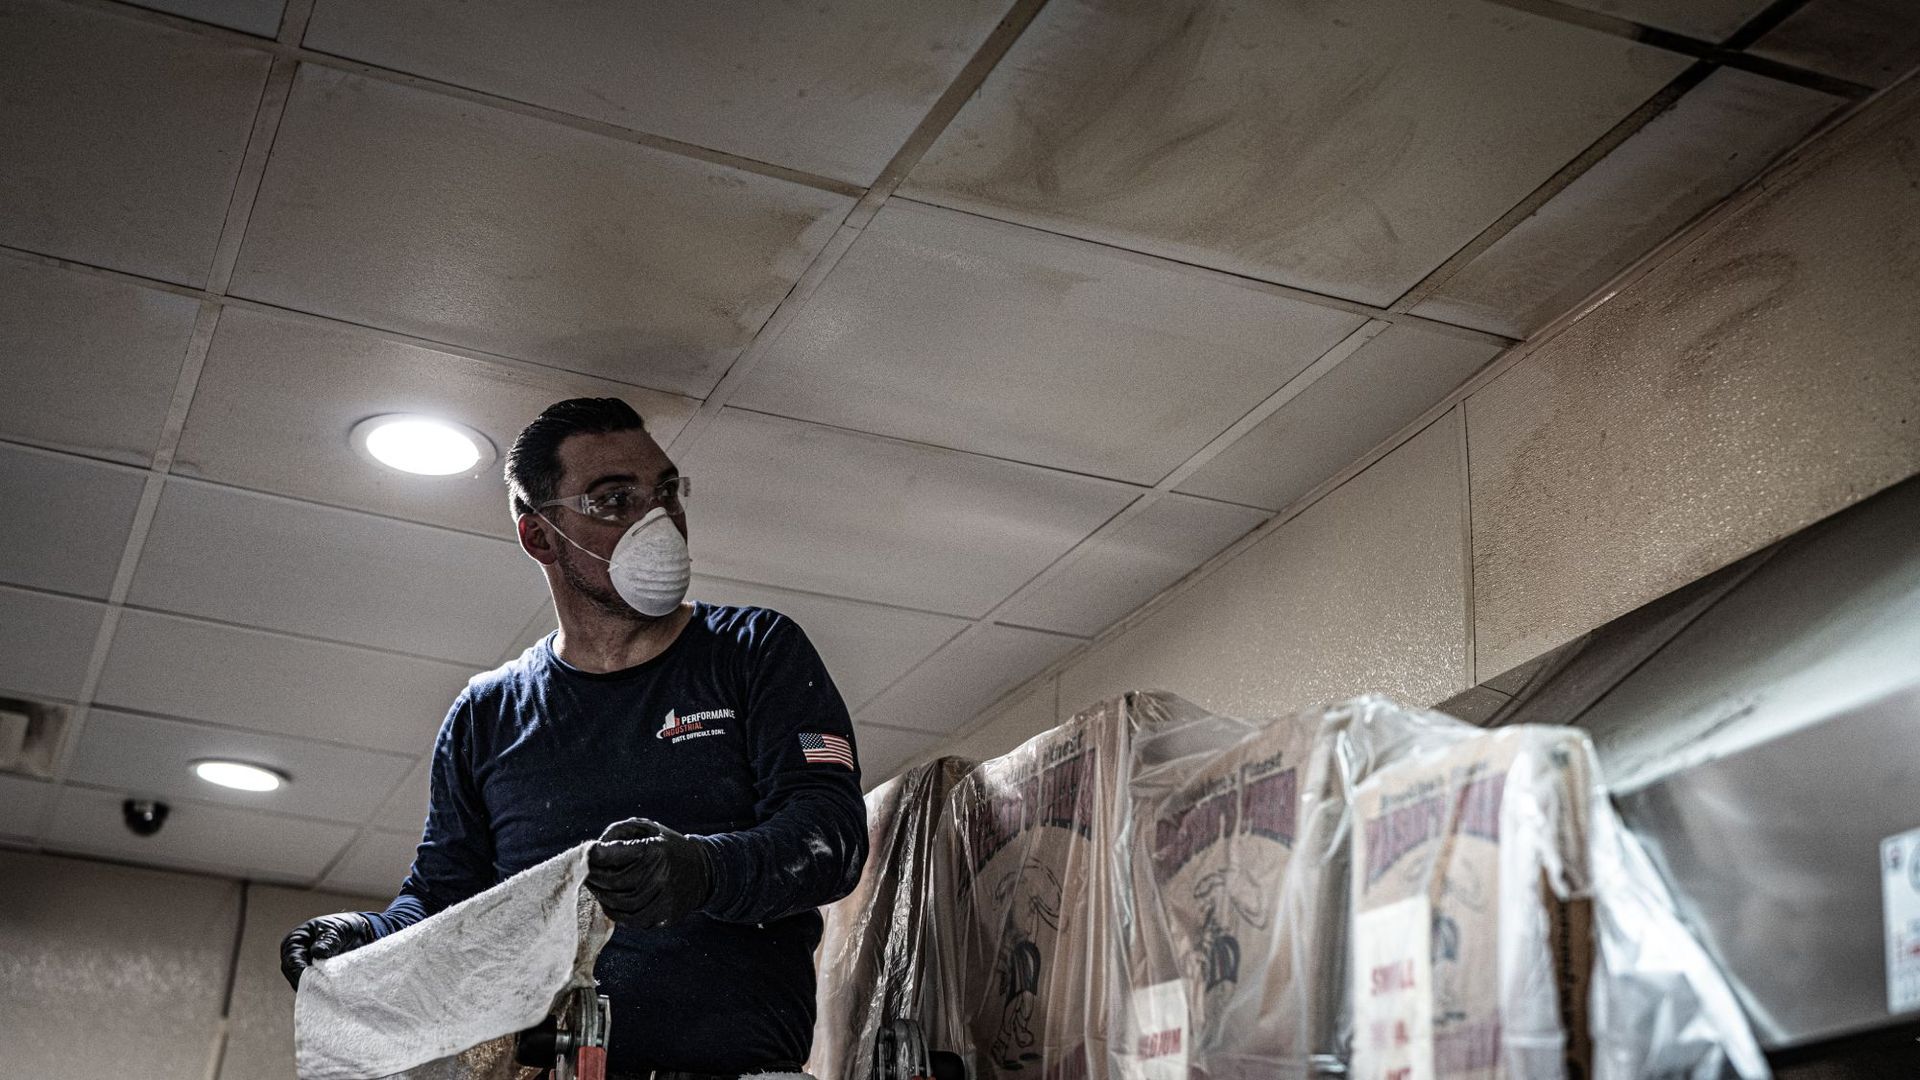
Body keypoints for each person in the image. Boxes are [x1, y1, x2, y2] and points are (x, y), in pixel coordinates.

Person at [279, 397, 868, 1078]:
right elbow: (443, 900)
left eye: (666, 492)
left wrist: (702, 871)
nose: (658, 520)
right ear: (540, 536)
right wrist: (363, 941)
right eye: (614, 500)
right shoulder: (487, 714)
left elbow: (830, 838)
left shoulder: (754, 652)